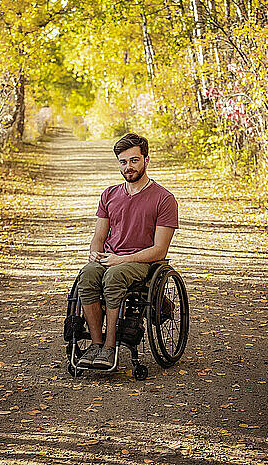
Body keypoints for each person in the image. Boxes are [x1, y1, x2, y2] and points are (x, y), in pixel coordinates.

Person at [77, 132, 178, 369]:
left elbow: (160, 250)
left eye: (134, 160)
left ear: (146, 160)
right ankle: (96, 344)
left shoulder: (164, 199)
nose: (128, 166)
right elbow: (99, 236)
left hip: (143, 261)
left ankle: (110, 347)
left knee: (113, 277)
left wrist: (121, 259)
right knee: (87, 275)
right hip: (110, 257)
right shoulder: (110, 194)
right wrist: (95, 253)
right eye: (123, 161)